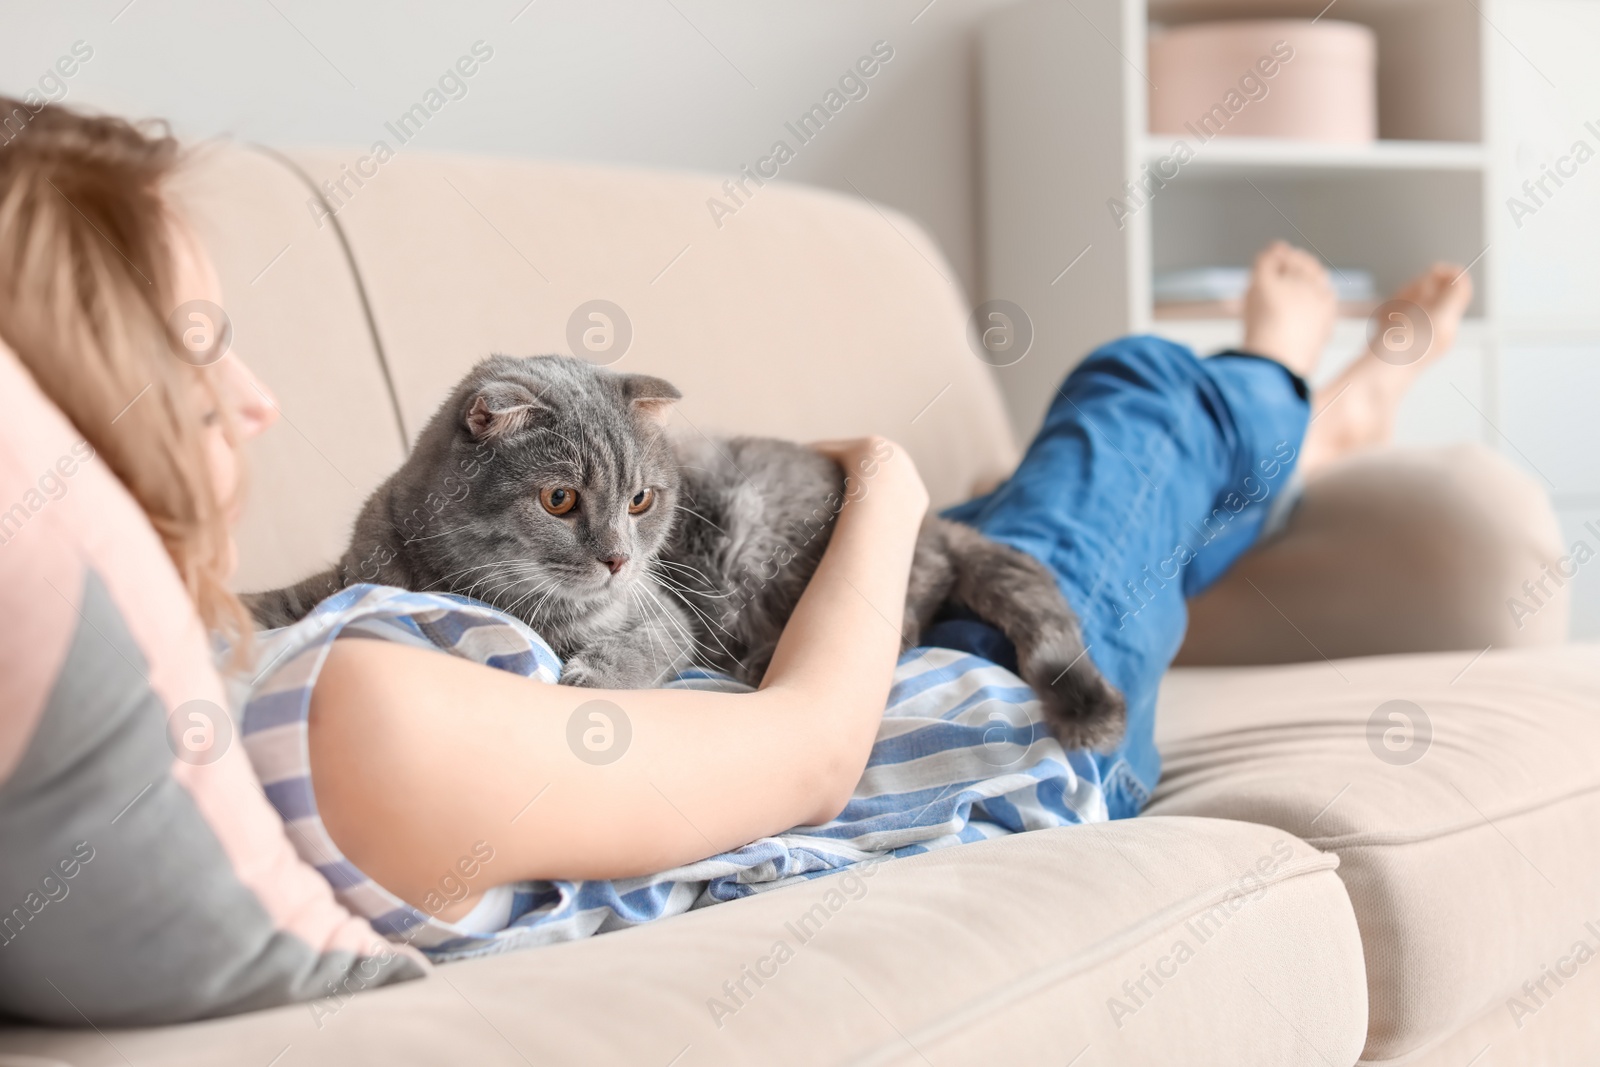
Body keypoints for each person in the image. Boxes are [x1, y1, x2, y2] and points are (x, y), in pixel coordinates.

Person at [0, 102, 1499, 958]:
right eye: (200, 344)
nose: (258, 399)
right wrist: (895, 490)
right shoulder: (371, 717)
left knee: (1042, 496)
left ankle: (1278, 451)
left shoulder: (215, 672)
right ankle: (1297, 385)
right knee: (1136, 393)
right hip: (986, 719)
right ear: (69, 396)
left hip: (858, 633)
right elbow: (811, 753)